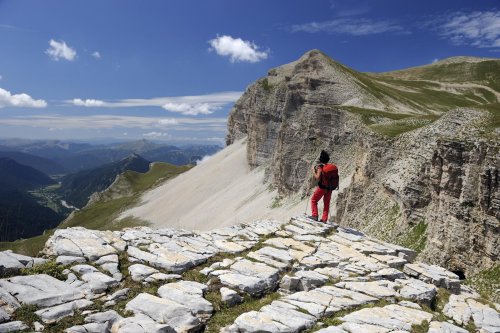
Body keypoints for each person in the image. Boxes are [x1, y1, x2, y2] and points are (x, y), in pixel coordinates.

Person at [309, 150, 338, 222]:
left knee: (314, 200)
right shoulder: (331, 167)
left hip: (322, 188)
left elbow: (317, 177)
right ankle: (324, 219)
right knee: (326, 203)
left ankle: (315, 215)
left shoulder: (320, 167)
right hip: (330, 188)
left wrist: (313, 171)